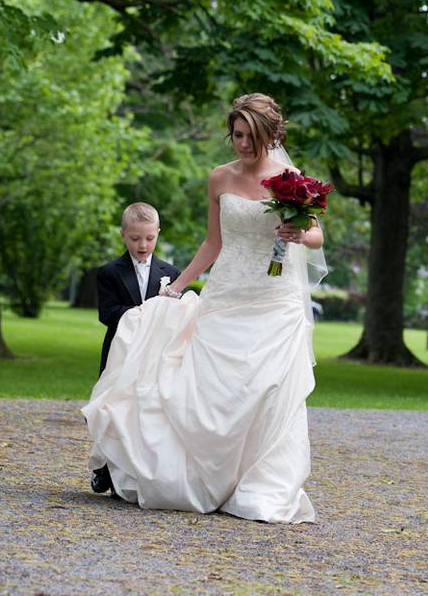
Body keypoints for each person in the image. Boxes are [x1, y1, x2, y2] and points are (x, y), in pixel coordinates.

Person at [82, 93, 324, 524]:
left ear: (270, 135)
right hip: (229, 291)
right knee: (207, 385)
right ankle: (204, 476)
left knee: (269, 388)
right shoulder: (219, 178)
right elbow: (214, 242)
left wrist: (298, 234)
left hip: (275, 296)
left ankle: (258, 481)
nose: (243, 144)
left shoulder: (291, 178)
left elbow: (317, 236)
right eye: (236, 135)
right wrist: (176, 287)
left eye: (251, 136)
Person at [95, 203, 181, 375]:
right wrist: (144, 312)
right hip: (120, 349)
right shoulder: (109, 272)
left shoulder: (172, 273)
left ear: (157, 233)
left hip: (157, 351)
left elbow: (177, 317)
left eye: (150, 239)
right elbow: (107, 314)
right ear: (123, 235)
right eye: (135, 239)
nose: (143, 245)